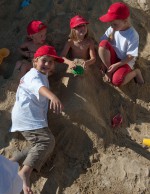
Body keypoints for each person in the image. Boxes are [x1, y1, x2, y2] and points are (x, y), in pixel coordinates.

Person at [10, 45, 64, 194]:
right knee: (46, 141)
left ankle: (11, 163)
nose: (47, 64)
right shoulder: (33, 75)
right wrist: (53, 96)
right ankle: (25, 173)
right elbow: (39, 87)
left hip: (27, 117)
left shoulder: (40, 75)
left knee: (36, 147)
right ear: (35, 62)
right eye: (44, 60)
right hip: (28, 117)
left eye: (51, 62)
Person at [98, 2, 144, 86]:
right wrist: (104, 63)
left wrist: (117, 65)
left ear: (125, 21)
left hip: (125, 61)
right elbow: (103, 44)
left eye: (114, 24)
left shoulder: (133, 35)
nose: (112, 26)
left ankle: (136, 72)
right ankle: (109, 69)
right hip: (113, 56)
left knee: (117, 81)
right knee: (102, 44)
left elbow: (131, 56)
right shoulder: (112, 28)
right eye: (110, 23)